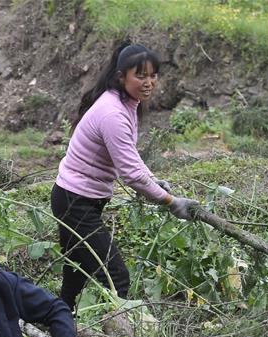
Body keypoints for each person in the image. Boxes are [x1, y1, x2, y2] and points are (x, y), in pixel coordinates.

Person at [52, 42, 199, 310]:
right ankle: (115, 332)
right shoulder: (113, 113)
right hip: (76, 201)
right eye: (140, 76)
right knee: (116, 276)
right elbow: (131, 175)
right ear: (122, 77)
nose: (149, 82)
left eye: (153, 75)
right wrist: (170, 201)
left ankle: (62, 320)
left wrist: (152, 179)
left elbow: (130, 156)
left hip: (75, 197)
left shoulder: (125, 102)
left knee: (75, 272)